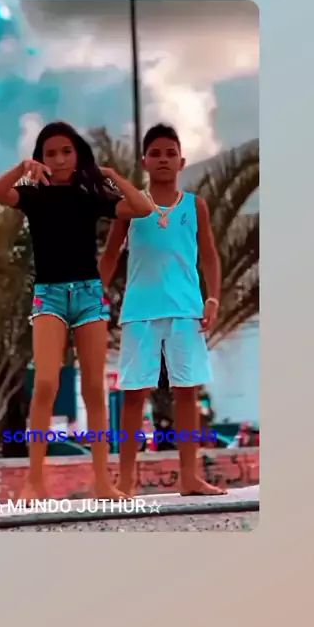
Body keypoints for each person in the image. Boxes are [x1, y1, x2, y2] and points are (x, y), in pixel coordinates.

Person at [0, 121, 152, 500]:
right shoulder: (33, 195)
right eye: (51, 153)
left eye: (66, 151)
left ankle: (102, 482)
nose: (59, 159)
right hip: (49, 297)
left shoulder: (88, 194)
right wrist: (22, 167)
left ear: (77, 155)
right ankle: (34, 481)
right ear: (41, 158)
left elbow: (142, 208)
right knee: (46, 383)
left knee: (95, 388)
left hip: (89, 296)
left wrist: (111, 176)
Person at [99, 123, 226, 497]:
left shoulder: (195, 206)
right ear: (144, 161)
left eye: (170, 153)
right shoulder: (130, 206)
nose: (163, 159)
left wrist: (213, 299)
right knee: (134, 393)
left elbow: (210, 255)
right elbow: (110, 255)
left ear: (182, 161)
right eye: (155, 153)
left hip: (186, 311)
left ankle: (189, 476)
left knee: (187, 392)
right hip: (139, 312)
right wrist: (92, 296)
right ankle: (126, 479)